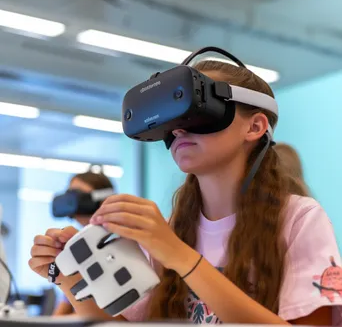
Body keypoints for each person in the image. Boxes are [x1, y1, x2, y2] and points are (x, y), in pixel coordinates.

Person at [29, 60, 342, 325]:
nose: (179, 129)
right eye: (173, 118)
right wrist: (68, 275)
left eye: (198, 111)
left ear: (255, 127)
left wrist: (179, 256)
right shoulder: (173, 227)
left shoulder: (300, 220)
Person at [52, 171, 114, 316]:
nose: (70, 199)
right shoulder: (78, 245)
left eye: (77, 193)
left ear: (102, 199)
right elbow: (64, 307)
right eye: (69, 193)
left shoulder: (118, 242)